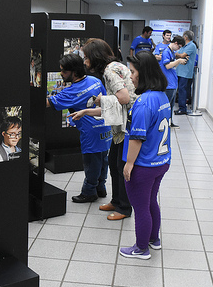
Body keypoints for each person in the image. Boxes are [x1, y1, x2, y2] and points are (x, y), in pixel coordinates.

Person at [70, 38, 137, 221]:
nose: (84, 62)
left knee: (121, 166)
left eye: (86, 57)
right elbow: (115, 105)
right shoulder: (116, 66)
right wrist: (86, 111)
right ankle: (116, 201)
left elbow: (123, 99)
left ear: (95, 56)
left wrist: (101, 100)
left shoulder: (109, 71)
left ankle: (124, 207)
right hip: (122, 124)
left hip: (128, 125)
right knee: (115, 165)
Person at [119, 51, 171, 260]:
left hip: (144, 165)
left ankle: (141, 248)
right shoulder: (162, 97)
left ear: (144, 73)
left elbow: (136, 138)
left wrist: (129, 164)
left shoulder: (143, 103)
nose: (130, 76)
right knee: (151, 201)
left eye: (132, 72)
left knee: (140, 207)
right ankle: (153, 239)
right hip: (161, 162)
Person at [47, 54, 112, 203]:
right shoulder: (95, 80)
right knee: (103, 159)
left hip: (90, 132)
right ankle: (101, 188)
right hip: (105, 126)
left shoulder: (71, 92)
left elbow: (49, 103)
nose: (61, 74)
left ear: (74, 72)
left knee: (91, 163)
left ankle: (89, 192)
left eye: (63, 71)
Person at [159, 35, 187, 128]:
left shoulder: (172, 52)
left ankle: (170, 122)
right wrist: (178, 60)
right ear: (175, 43)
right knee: (166, 106)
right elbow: (167, 66)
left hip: (173, 82)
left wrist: (179, 62)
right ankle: (164, 123)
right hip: (168, 84)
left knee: (171, 106)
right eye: (179, 46)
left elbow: (172, 66)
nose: (178, 49)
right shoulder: (166, 52)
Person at [174, 30, 198, 114]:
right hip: (180, 71)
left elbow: (181, 55)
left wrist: (177, 54)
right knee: (180, 90)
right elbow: (178, 55)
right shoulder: (184, 46)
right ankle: (181, 107)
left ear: (185, 37)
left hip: (185, 73)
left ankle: (182, 108)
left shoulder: (191, 45)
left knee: (182, 90)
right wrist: (178, 55)